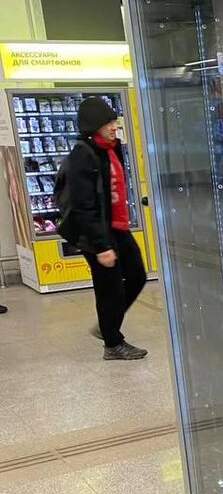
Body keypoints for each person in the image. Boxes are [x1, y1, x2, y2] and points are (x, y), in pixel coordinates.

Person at [55, 97, 147, 360]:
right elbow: (83, 206)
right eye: (108, 123)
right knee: (109, 288)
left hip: (116, 225)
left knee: (137, 275)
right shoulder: (82, 156)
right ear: (94, 125)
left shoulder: (110, 148)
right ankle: (112, 343)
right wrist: (101, 246)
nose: (114, 126)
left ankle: (108, 322)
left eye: (114, 121)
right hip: (94, 232)